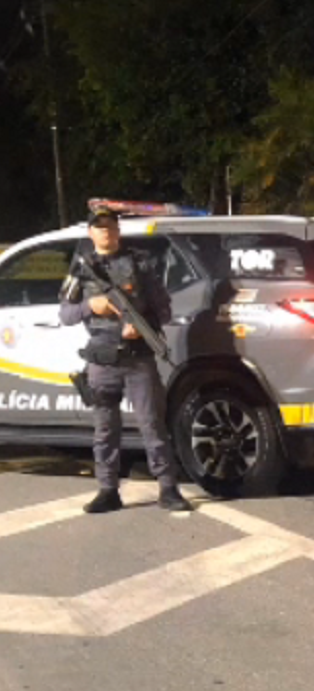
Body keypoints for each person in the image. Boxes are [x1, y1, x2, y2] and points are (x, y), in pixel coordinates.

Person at [60, 206, 193, 514]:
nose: (106, 231)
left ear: (118, 231)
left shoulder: (140, 264)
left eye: (110, 226)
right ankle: (108, 490)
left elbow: (163, 309)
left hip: (138, 358)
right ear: (90, 232)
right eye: (99, 227)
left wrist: (143, 326)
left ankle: (168, 488)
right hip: (102, 358)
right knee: (105, 428)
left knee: (152, 424)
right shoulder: (80, 269)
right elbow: (65, 314)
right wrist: (91, 306)